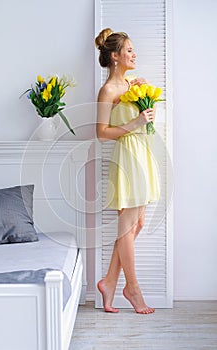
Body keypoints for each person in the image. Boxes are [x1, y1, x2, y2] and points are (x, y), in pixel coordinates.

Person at [95, 28, 160, 314]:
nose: (134, 54)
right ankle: (132, 289)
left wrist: (145, 107)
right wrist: (134, 123)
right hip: (127, 155)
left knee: (137, 224)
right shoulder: (107, 90)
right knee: (127, 224)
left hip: (141, 153)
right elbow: (101, 133)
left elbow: (142, 116)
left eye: (133, 50)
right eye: (129, 50)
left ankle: (109, 282)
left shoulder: (134, 83)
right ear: (114, 56)